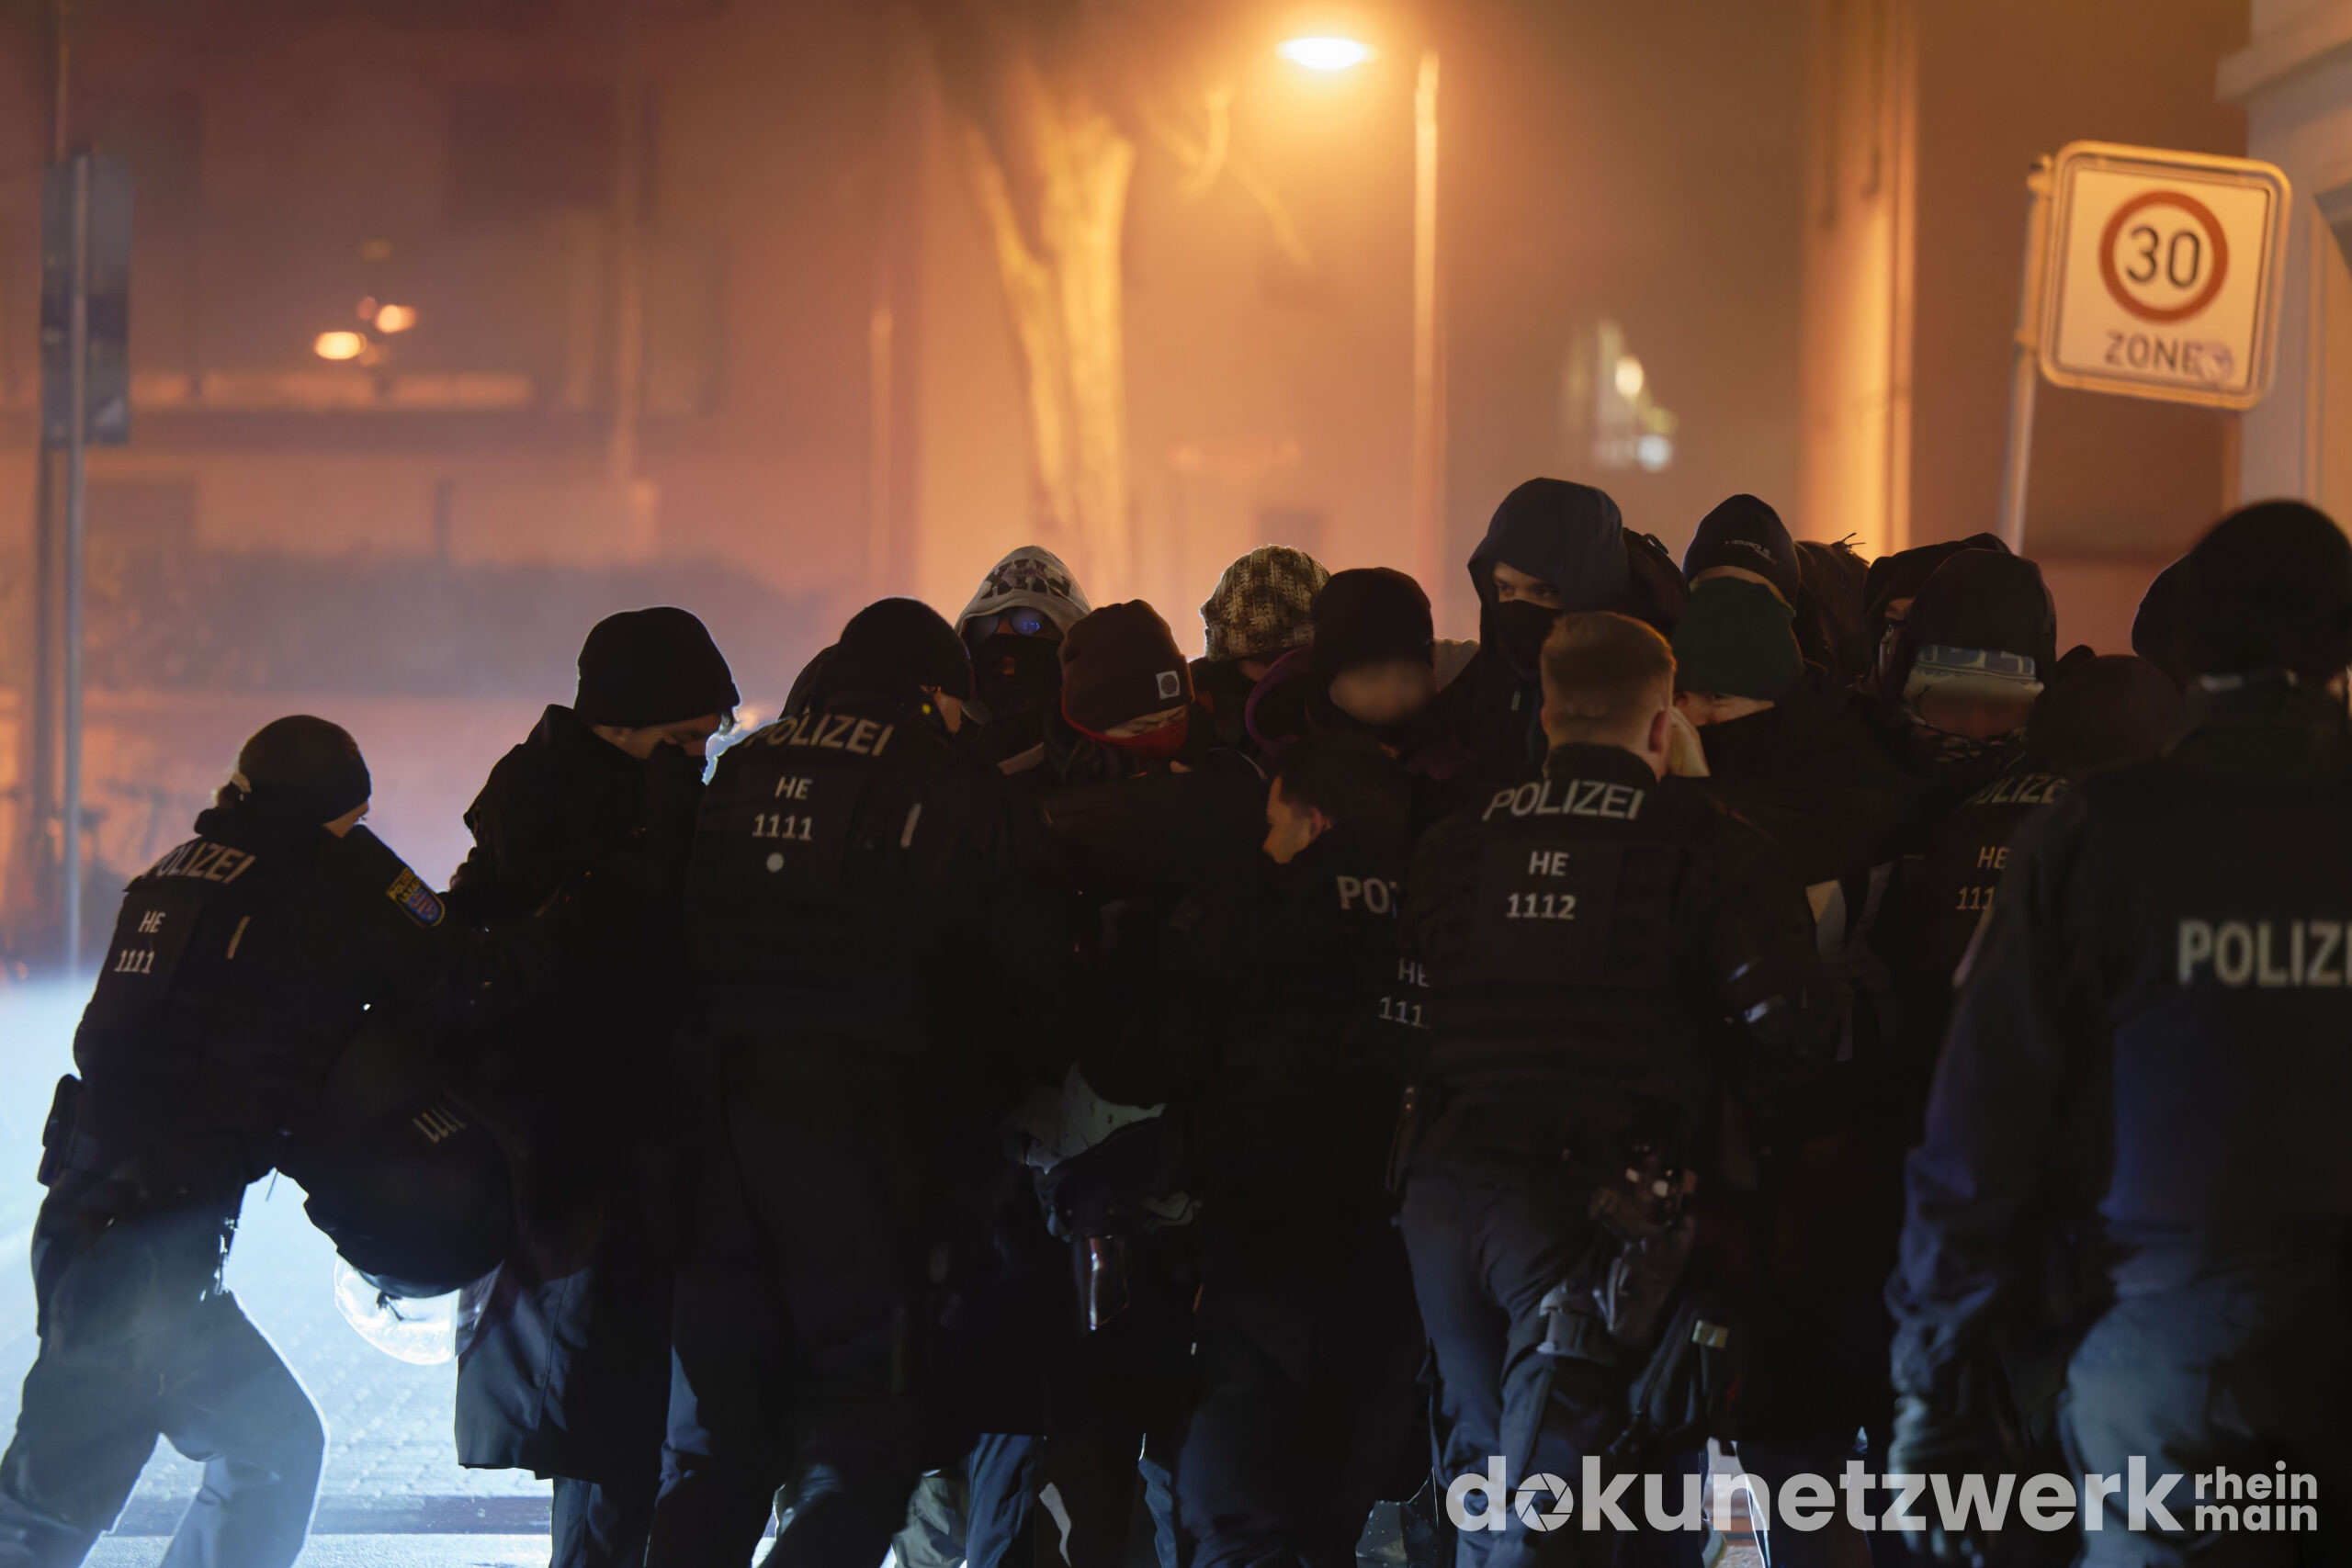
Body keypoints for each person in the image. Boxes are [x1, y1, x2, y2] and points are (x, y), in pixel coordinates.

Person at [1888, 502, 2352, 1568]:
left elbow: (1977, 1134)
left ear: (2187, 641)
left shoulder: (2095, 832)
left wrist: (1935, 1392)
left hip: (2164, 1353)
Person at [1399, 613, 1826, 1568]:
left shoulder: (1457, 840)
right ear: (1664, 723)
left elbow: (1406, 1008)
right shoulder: (1705, 843)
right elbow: (1790, 1029)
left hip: (1440, 1195)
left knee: (1480, 1482)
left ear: (1547, 715)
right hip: (1591, 1209)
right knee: (1559, 1511)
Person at [650, 598, 1062, 1568]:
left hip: (717, 1140)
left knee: (717, 1451)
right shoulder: (953, 782)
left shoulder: (744, 767)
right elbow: (1028, 985)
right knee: (863, 1438)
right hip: (866, 1144)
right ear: (933, 691)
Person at [0, 717, 449, 1568]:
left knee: (272, 1446)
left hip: (114, 1236)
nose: (358, 840)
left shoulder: (181, 874)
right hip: (135, 1263)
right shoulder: (292, 900)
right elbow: (432, 980)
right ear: (322, 815)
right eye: (352, 823)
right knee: (46, 1507)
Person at [1086, 734, 1429, 1568]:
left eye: (1275, 823)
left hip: (1266, 1242)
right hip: (1404, 1255)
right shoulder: (1448, 907)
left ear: (1313, 821)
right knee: (1328, 1516)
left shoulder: (1254, 905)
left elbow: (1140, 1064)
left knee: (1232, 1509)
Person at [451, 607, 739, 1568]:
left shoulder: (561, 804)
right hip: (597, 1177)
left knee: (615, 1442)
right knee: (615, 1441)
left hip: (595, 1177)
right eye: (686, 737)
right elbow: (620, 973)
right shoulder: (593, 825)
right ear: (626, 723)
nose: (699, 758)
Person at [1449, 479, 1685, 773]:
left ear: (1592, 590)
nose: (1520, 608)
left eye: (1545, 592)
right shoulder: (1484, 676)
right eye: (1505, 588)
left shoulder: (1659, 681)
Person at [955, 546, 1094, 772]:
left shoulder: (1109, 758)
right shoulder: (942, 759)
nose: (1003, 633)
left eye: (1029, 622)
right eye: (985, 625)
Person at [1193, 545, 1331, 749]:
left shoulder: (1351, 701)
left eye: (1298, 659)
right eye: (1269, 660)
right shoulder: (1191, 708)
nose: (1280, 674)